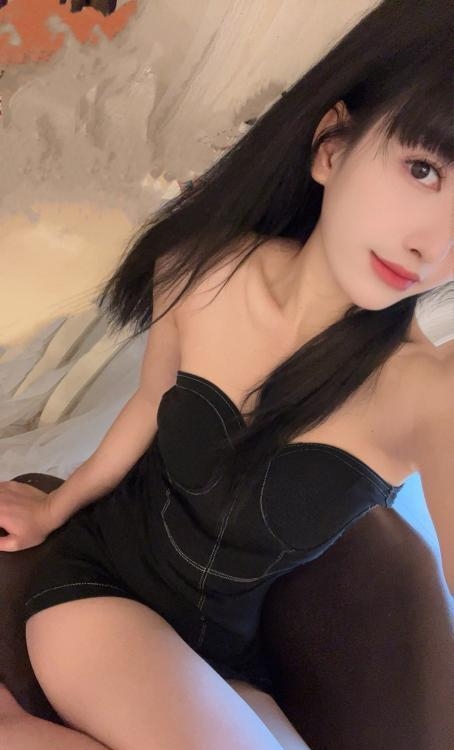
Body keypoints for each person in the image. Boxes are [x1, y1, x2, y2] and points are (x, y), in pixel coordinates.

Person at [0, 0, 453, 748]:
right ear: (332, 147)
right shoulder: (199, 271)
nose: (431, 247)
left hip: (227, 659)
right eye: (423, 169)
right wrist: (55, 509)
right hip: (97, 595)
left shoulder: (421, 388)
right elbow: (150, 401)